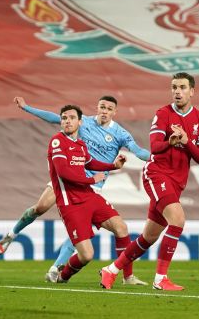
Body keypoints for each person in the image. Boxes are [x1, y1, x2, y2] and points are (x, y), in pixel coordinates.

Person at [0, 95, 150, 285]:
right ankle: (12, 234)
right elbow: (54, 118)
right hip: (71, 179)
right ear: (97, 107)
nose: (104, 111)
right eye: (102, 107)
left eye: (109, 109)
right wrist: (27, 107)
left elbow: (138, 151)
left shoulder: (121, 134)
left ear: (114, 112)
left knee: (82, 235)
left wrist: (157, 157)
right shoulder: (83, 121)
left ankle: (56, 269)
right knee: (40, 208)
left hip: (93, 187)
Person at [100, 72, 199, 291]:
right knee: (177, 219)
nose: (177, 91)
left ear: (192, 91)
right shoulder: (163, 114)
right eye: (174, 87)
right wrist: (170, 142)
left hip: (177, 181)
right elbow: (154, 147)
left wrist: (187, 142)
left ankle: (111, 270)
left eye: (181, 87)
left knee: (149, 236)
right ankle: (160, 279)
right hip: (157, 174)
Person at [46, 104, 128, 283]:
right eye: (64, 118)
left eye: (72, 118)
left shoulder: (81, 145)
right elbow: (64, 173)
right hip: (71, 203)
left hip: (89, 197)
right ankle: (62, 276)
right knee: (87, 255)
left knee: (121, 227)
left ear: (80, 122)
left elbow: (91, 163)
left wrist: (112, 166)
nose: (67, 121)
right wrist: (92, 180)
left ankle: (126, 276)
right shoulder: (57, 141)